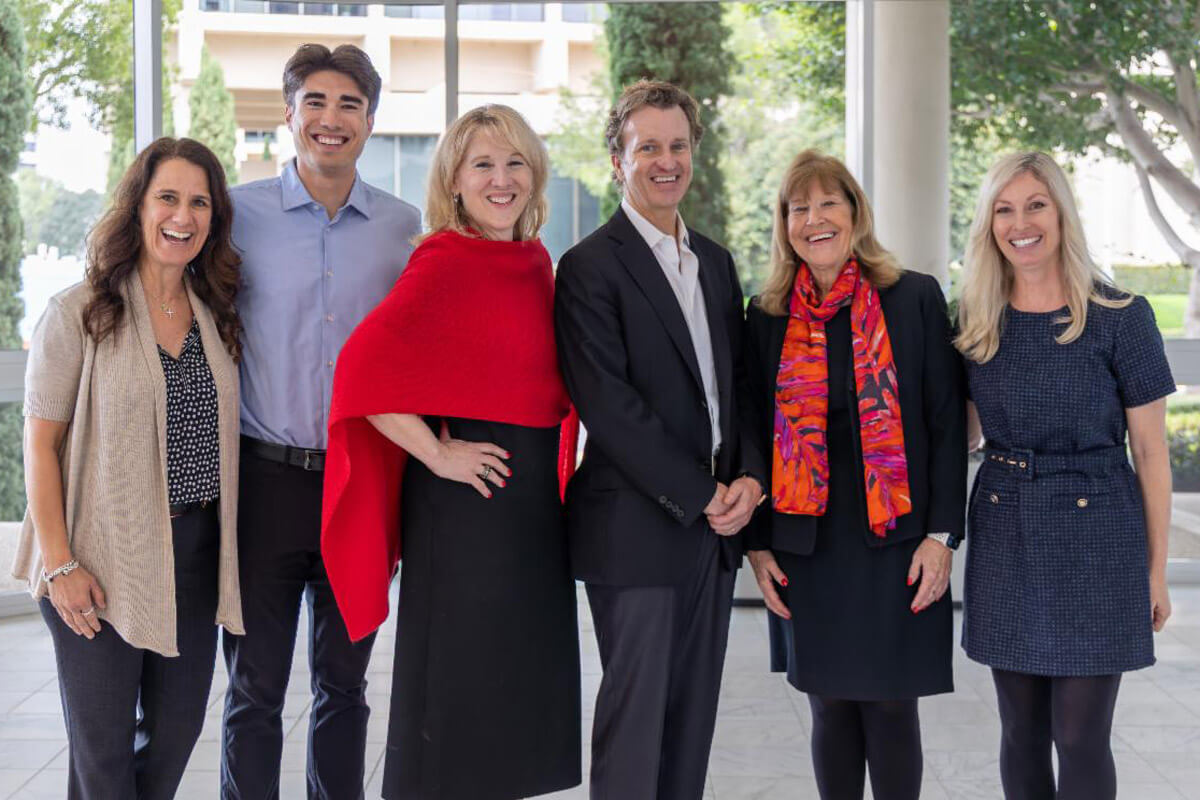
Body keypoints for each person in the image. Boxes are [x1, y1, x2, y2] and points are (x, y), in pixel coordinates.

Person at [321, 103, 581, 800]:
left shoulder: (533, 261)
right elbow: (359, 375)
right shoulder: (441, 259)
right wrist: (436, 455)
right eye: (483, 165)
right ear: (455, 181)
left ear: (535, 174)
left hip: (529, 512)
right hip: (464, 512)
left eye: (515, 163)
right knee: (457, 696)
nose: (501, 180)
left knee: (516, 693)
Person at [554, 79, 766, 800]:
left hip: (715, 528)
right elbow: (609, 408)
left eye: (678, 146)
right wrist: (703, 492)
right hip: (635, 527)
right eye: (648, 147)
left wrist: (749, 480)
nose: (665, 161)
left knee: (691, 721)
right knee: (635, 724)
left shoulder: (714, 259)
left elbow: (738, 387)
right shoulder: (588, 266)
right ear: (619, 159)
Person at [13, 137, 244, 799]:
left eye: (199, 201)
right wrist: (60, 564)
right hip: (98, 560)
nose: (184, 214)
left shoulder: (214, 315)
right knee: (103, 759)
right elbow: (40, 445)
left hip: (195, 555)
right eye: (167, 197)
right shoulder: (79, 310)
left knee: (172, 742)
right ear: (137, 208)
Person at [220, 43, 421, 800]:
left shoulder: (404, 229)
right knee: (254, 689)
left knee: (345, 685)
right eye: (316, 103)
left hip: (362, 482)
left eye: (348, 106)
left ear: (371, 121)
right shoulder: (237, 215)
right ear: (289, 113)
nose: (331, 120)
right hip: (264, 483)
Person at [742, 149, 965, 800]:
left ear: (855, 211)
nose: (814, 219)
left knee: (894, 706)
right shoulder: (767, 315)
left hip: (897, 539)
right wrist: (755, 543)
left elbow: (947, 422)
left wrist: (941, 535)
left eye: (827, 203)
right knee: (829, 705)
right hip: (806, 545)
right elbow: (753, 431)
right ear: (785, 223)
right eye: (798, 208)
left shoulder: (914, 297)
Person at [957, 151, 1175, 800]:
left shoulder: (1120, 316)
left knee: (1080, 737)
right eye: (1004, 209)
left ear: (1061, 214)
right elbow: (964, 434)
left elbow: (1152, 452)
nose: (1019, 223)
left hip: (1098, 537)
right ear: (988, 223)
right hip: (1004, 530)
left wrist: (1156, 571)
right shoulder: (976, 320)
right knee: (1020, 733)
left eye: (1035, 205)